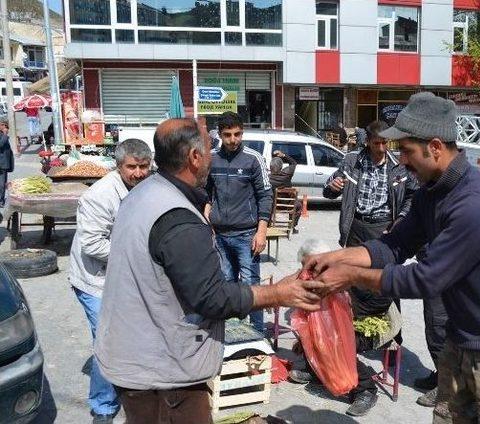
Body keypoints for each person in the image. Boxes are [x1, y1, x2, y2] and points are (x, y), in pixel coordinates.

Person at [303, 92, 480, 423]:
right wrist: (338, 258)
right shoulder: (432, 194)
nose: (403, 161)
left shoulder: (476, 204)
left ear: (435, 147)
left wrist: (350, 276)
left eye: (407, 152)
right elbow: (394, 245)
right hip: (461, 345)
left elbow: (427, 278)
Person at [95, 119, 322, 423]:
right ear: (194, 157)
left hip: (135, 355)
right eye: (209, 146)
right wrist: (277, 293)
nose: (214, 153)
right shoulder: (177, 217)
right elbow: (212, 298)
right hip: (162, 371)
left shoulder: (144, 191)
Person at [288, 121, 419, 417]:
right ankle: (317, 365)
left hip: (386, 232)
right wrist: (332, 186)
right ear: (367, 142)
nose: (381, 149)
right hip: (356, 229)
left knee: (374, 297)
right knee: (331, 311)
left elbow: (413, 198)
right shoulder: (350, 162)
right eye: (376, 144)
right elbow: (330, 190)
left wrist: (400, 223)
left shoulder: (398, 167)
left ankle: (378, 365)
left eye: (386, 144)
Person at [69, 139, 153, 424]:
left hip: (126, 278)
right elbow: (92, 244)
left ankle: (129, 386)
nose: (139, 173)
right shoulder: (101, 195)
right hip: (96, 282)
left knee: (131, 335)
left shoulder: (146, 186)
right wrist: (137, 255)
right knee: (107, 342)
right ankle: (103, 407)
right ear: (119, 167)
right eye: (132, 167)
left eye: (144, 166)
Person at [206, 112, 273, 332]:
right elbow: (206, 194)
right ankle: (232, 334)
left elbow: (265, 195)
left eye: (237, 134)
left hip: (247, 236)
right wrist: (208, 222)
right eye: (228, 135)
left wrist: (261, 231)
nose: (233, 139)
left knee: (251, 287)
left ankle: (257, 334)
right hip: (220, 237)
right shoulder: (211, 158)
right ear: (219, 134)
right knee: (225, 285)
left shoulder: (254, 159)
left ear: (242, 132)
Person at [269, 149, 301, 233]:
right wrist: (283, 155)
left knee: (265, 203)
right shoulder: (286, 175)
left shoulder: (267, 178)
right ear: (281, 167)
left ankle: (267, 224)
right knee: (298, 206)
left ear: (270, 167)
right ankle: (292, 226)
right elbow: (293, 163)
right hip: (287, 205)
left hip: (272, 206)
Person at [0, 118, 15, 209]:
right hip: (1, 163)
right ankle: (1, 200)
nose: (5, 127)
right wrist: (5, 135)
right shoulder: (3, 135)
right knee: (1, 184)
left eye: (6, 126)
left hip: (3, 163)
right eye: (3, 125)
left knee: (2, 183)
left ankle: (1, 199)